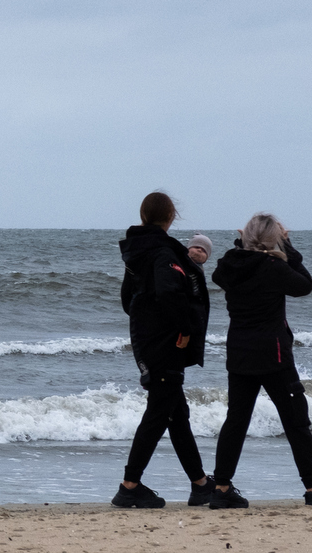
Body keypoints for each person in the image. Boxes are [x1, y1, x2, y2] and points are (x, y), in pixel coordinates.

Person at [207, 213, 312, 508]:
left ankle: (221, 488)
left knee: (236, 419)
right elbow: (305, 285)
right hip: (274, 354)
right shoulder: (273, 267)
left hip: (240, 352)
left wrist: (245, 242)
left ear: (245, 238)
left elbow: (227, 268)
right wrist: (288, 246)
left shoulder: (229, 264)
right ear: (275, 238)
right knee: (296, 420)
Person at [112, 192, 214, 508]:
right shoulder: (161, 252)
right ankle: (129, 486)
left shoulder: (136, 251)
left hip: (147, 339)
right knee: (159, 413)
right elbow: (170, 291)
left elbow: (128, 300)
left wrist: (146, 323)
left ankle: (200, 485)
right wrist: (183, 329)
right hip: (165, 342)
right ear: (171, 219)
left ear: (143, 215)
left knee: (175, 413)